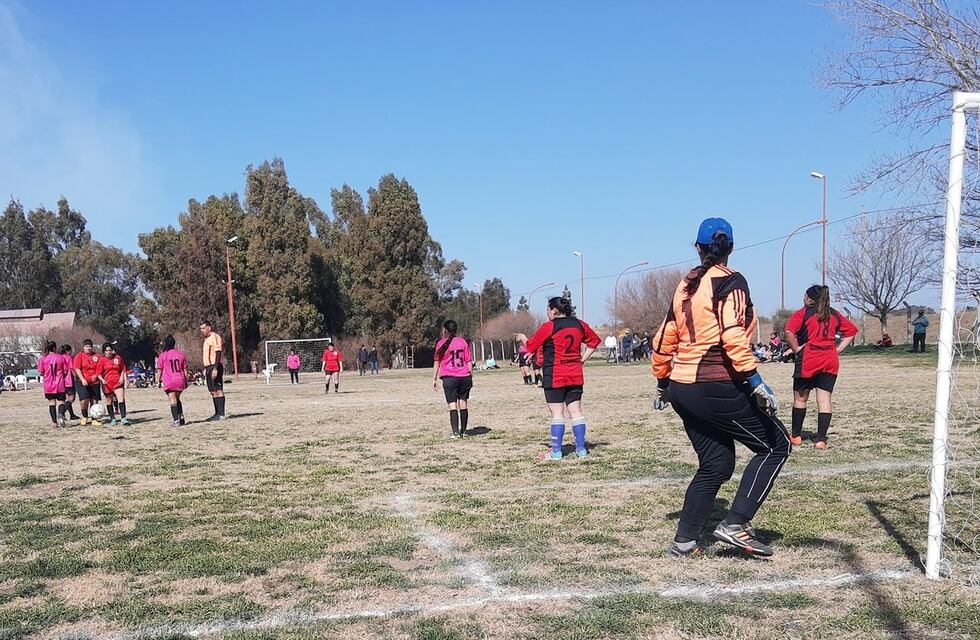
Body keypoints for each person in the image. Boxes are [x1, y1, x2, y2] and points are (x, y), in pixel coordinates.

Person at [652, 217, 788, 558]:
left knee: (716, 463)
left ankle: (684, 541)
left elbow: (664, 337)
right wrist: (755, 379)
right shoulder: (731, 281)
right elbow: (731, 334)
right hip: (712, 383)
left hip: (682, 387)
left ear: (698, 248)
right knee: (776, 446)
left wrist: (661, 381)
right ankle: (735, 524)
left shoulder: (686, 284)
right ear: (730, 247)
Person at [516, 296, 601, 460]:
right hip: (575, 374)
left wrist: (523, 337)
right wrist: (582, 360)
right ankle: (581, 449)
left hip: (554, 374)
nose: (547, 313)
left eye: (548, 310)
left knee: (557, 413)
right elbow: (594, 342)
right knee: (576, 412)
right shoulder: (579, 324)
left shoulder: (549, 326)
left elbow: (531, 346)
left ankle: (556, 452)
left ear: (554, 311)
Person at [785, 285, 858, 450]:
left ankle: (796, 436)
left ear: (809, 298)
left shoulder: (803, 312)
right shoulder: (833, 313)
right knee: (824, 399)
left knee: (800, 398)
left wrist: (796, 349)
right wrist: (837, 349)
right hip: (829, 358)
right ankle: (821, 440)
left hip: (809, 357)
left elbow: (789, 332)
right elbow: (851, 331)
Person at [432, 320, 474, 438]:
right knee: (463, 403)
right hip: (464, 376)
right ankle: (464, 431)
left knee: (452, 404)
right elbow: (469, 361)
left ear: (445, 330)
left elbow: (437, 362)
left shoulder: (441, 344)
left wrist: (434, 378)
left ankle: (455, 432)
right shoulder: (463, 342)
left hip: (449, 377)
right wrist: (470, 376)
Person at [156, 335, 189, 427]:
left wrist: (158, 381)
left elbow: (159, 370)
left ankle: (176, 421)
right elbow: (185, 369)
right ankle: (181, 417)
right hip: (180, 380)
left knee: (172, 400)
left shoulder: (163, 355)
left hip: (169, 380)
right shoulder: (181, 354)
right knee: (177, 398)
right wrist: (186, 381)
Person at [72, 339, 105, 426]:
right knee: (84, 399)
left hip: (94, 382)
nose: (89, 348)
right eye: (87, 346)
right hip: (82, 382)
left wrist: (97, 375)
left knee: (94, 400)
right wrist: (82, 379)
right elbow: (77, 368)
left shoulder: (97, 356)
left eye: (90, 346)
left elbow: (101, 367)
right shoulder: (79, 356)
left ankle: (94, 419)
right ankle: (85, 416)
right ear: (83, 347)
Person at [199, 321, 226, 421]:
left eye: (203, 328)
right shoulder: (206, 339)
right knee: (212, 391)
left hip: (215, 366)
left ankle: (221, 413)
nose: (202, 331)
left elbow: (218, 352)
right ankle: (217, 413)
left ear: (209, 328)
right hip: (208, 367)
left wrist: (215, 368)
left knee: (218, 389)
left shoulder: (214, 337)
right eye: (201, 329)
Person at [38, 341, 68, 428]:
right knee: (61, 401)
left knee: (52, 402)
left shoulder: (43, 359)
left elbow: (41, 372)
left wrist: (47, 375)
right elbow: (65, 370)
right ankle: (61, 413)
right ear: (55, 348)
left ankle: (54, 423)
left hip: (48, 384)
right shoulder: (61, 358)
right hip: (60, 384)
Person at [98, 344, 130, 426]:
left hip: (117, 382)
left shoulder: (118, 358)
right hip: (107, 383)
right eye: (107, 351)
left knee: (121, 399)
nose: (109, 352)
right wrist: (102, 379)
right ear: (104, 352)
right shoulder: (102, 360)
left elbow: (123, 368)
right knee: (109, 401)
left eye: (110, 350)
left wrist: (123, 378)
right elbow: (98, 373)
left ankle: (124, 418)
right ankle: (112, 419)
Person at [59, 345, 80, 421]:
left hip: (60, 381)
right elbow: (72, 369)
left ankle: (72, 415)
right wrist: (77, 377)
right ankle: (61, 412)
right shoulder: (69, 357)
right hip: (69, 380)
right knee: (71, 397)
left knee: (66, 398)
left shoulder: (60, 357)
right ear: (68, 351)